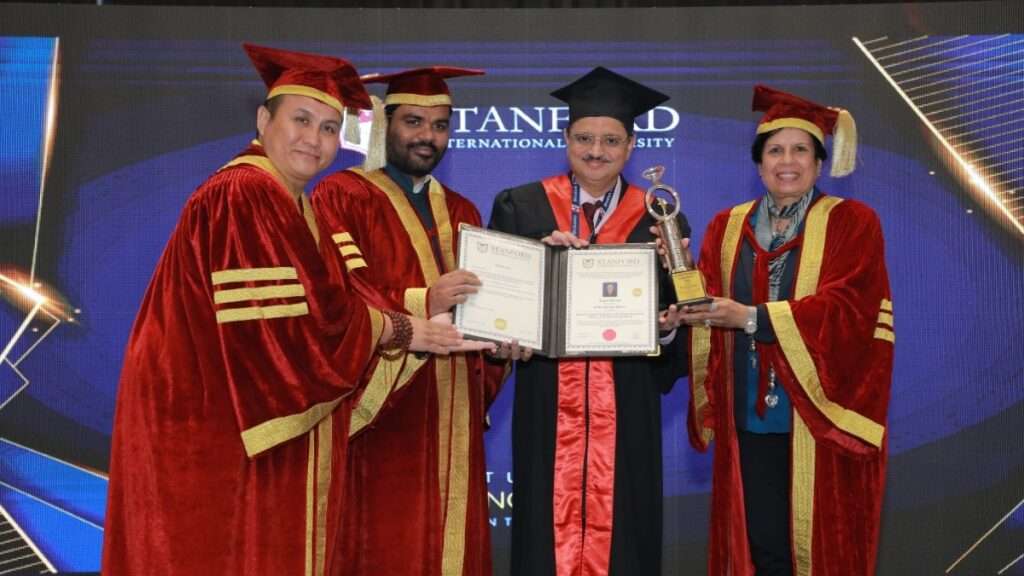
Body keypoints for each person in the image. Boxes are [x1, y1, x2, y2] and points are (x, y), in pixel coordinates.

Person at [102, 44, 468, 576]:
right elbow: (284, 335)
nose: (313, 139)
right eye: (301, 120)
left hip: (230, 424)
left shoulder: (289, 199)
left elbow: (330, 307)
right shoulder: (244, 193)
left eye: (328, 128)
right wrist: (399, 327)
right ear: (262, 120)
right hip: (214, 430)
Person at [672, 85, 893, 575]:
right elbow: (706, 305)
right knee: (761, 548)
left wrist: (752, 318)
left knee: (823, 552)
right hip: (748, 418)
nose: (786, 162)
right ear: (758, 164)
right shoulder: (726, 227)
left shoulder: (852, 222)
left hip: (821, 418)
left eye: (800, 150)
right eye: (774, 150)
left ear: (819, 162)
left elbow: (848, 309)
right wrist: (677, 298)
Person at [311, 66, 514, 576]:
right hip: (385, 414)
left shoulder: (463, 210)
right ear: (386, 125)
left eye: (440, 125)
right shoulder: (343, 195)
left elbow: (482, 310)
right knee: (383, 542)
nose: (428, 136)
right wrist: (425, 300)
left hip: (453, 404)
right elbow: (340, 294)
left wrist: (503, 342)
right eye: (414, 122)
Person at [488, 66, 689, 576]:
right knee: (543, 531)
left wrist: (668, 327)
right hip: (546, 401)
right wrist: (538, 261)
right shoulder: (521, 206)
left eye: (610, 140)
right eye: (583, 138)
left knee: (625, 535)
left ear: (631, 145)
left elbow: (679, 322)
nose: (596, 151)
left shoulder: (660, 216)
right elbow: (495, 312)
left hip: (628, 403)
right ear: (566, 139)